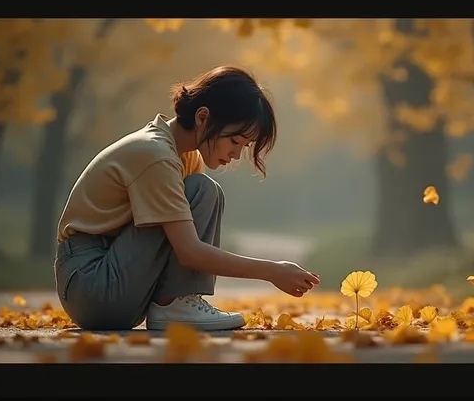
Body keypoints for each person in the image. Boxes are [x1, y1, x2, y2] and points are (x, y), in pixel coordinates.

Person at [53, 65, 321, 332]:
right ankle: (176, 306)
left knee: (203, 190)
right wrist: (272, 271)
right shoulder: (156, 154)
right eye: (235, 142)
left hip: (109, 284)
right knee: (202, 190)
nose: (236, 155)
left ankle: (176, 305)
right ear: (203, 117)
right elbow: (189, 252)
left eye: (244, 147)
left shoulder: (183, 155)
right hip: (92, 284)